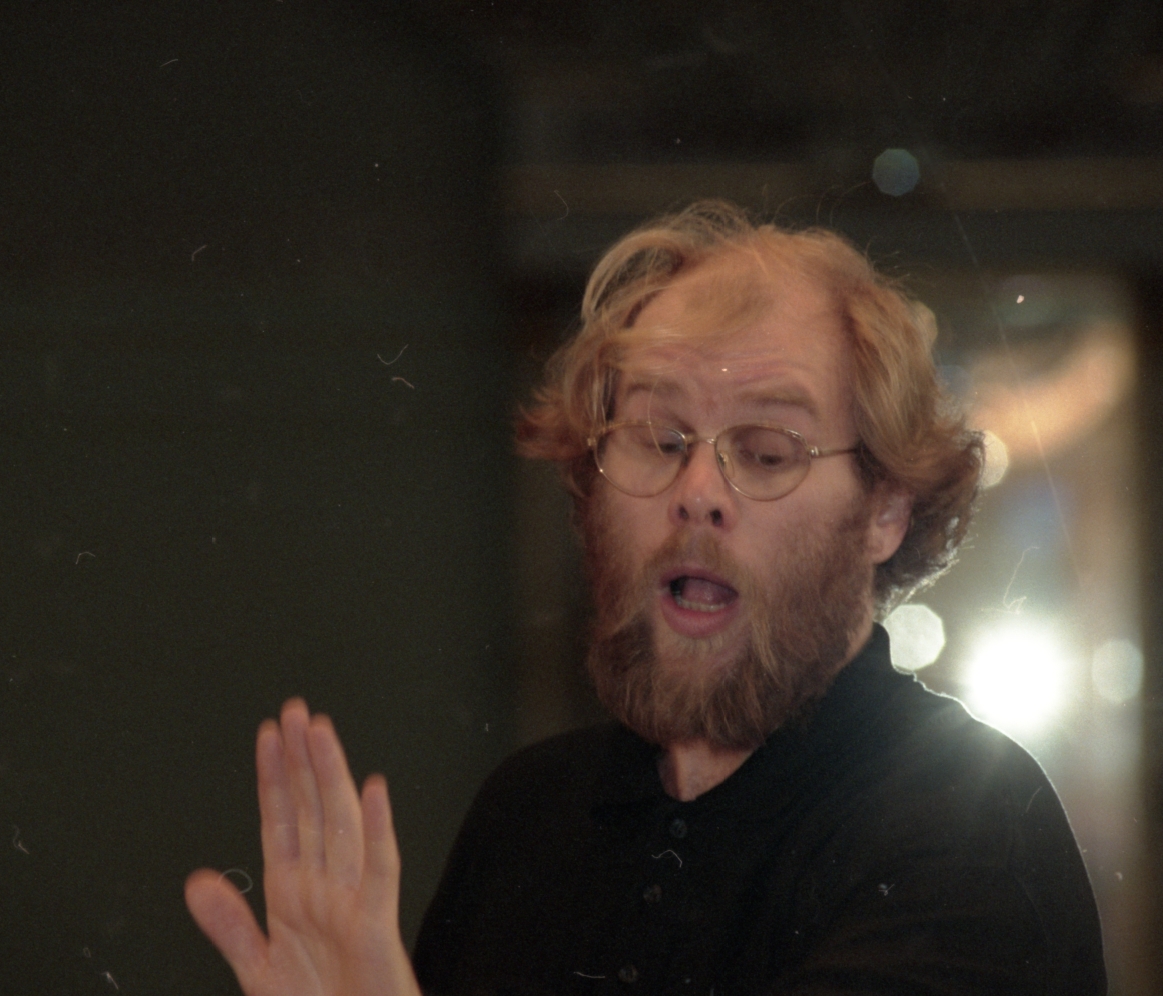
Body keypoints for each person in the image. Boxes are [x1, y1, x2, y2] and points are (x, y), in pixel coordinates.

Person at [184, 201, 1107, 995]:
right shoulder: (526, 819)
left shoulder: (971, 823)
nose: (696, 491)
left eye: (766, 453)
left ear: (884, 512)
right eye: (659, 439)